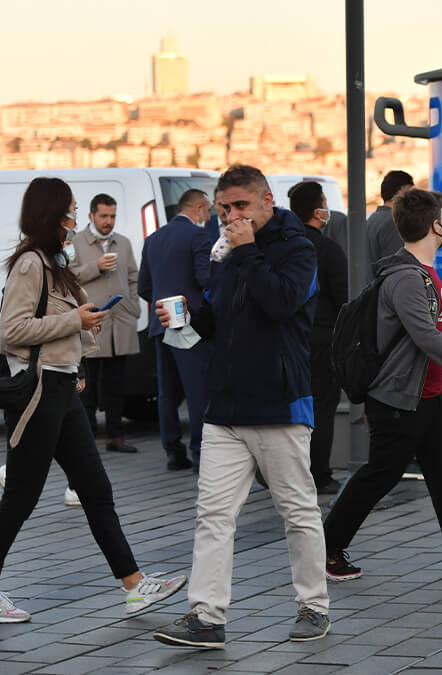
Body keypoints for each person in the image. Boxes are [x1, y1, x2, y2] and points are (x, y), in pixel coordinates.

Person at [0, 177, 185, 624]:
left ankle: (135, 584)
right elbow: (15, 331)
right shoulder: (30, 264)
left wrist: (84, 331)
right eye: (70, 211)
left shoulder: (55, 262)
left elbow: (60, 324)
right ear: (51, 215)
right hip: (40, 394)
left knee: (96, 491)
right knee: (22, 496)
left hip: (63, 389)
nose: (75, 220)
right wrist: (74, 320)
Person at [152, 165, 331, 648]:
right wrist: (184, 314)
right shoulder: (229, 254)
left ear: (267, 202)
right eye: (223, 209)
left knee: (297, 511)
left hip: (280, 404)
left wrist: (246, 249)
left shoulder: (298, 249)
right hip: (225, 407)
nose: (230, 217)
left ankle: (313, 606)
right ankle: (206, 616)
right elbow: (219, 317)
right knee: (212, 514)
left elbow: (280, 302)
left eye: (240, 207)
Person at [321, 188, 442, 581]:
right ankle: (325, 549)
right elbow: (426, 336)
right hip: (399, 398)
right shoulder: (407, 278)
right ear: (435, 226)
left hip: (429, 393)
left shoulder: (422, 273)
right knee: (380, 473)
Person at [138, 188, 214, 471]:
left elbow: (144, 286)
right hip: (189, 323)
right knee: (197, 390)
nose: (209, 217)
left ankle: (173, 451)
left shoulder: (153, 239)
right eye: (208, 211)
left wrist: (163, 307)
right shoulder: (197, 236)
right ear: (198, 209)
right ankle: (199, 453)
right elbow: (205, 278)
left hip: (161, 323)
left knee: (167, 391)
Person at [289, 181, 349, 494]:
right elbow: (343, 298)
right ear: (317, 211)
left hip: (288, 341)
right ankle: (319, 474)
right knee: (322, 408)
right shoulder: (327, 250)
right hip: (322, 340)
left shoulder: (281, 248)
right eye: (324, 203)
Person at [70, 194, 142, 453]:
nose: (109, 221)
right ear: (91, 216)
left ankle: (116, 436)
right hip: (91, 322)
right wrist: (95, 266)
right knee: (87, 387)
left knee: (116, 385)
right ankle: (86, 437)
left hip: (120, 322)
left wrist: (133, 306)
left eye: (112, 216)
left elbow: (133, 276)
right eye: (103, 216)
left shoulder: (122, 242)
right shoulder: (75, 242)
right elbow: (68, 276)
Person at [366, 170, 414, 272]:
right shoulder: (394, 222)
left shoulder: (372, 219)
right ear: (401, 191)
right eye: (411, 191)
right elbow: (396, 268)